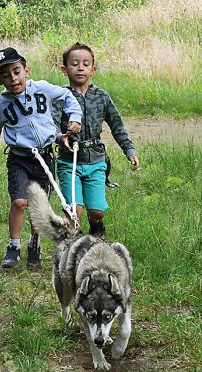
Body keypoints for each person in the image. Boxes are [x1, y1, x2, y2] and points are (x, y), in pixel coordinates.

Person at [0, 47, 82, 269]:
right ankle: (13, 245)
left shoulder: (42, 89)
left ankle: (34, 243)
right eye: (5, 75)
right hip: (19, 158)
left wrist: (75, 118)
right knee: (19, 202)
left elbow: (67, 96)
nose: (13, 78)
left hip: (45, 157)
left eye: (16, 71)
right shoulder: (1, 103)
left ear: (26, 70)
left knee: (39, 205)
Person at [53, 42, 140, 236]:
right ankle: (74, 242)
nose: (80, 68)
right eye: (74, 64)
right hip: (70, 161)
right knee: (74, 210)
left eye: (85, 63)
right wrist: (60, 137)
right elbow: (50, 124)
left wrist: (129, 150)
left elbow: (117, 125)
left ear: (93, 69)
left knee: (97, 211)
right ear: (64, 69)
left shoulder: (101, 96)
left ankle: (96, 229)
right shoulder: (60, 96)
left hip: (96, 161)